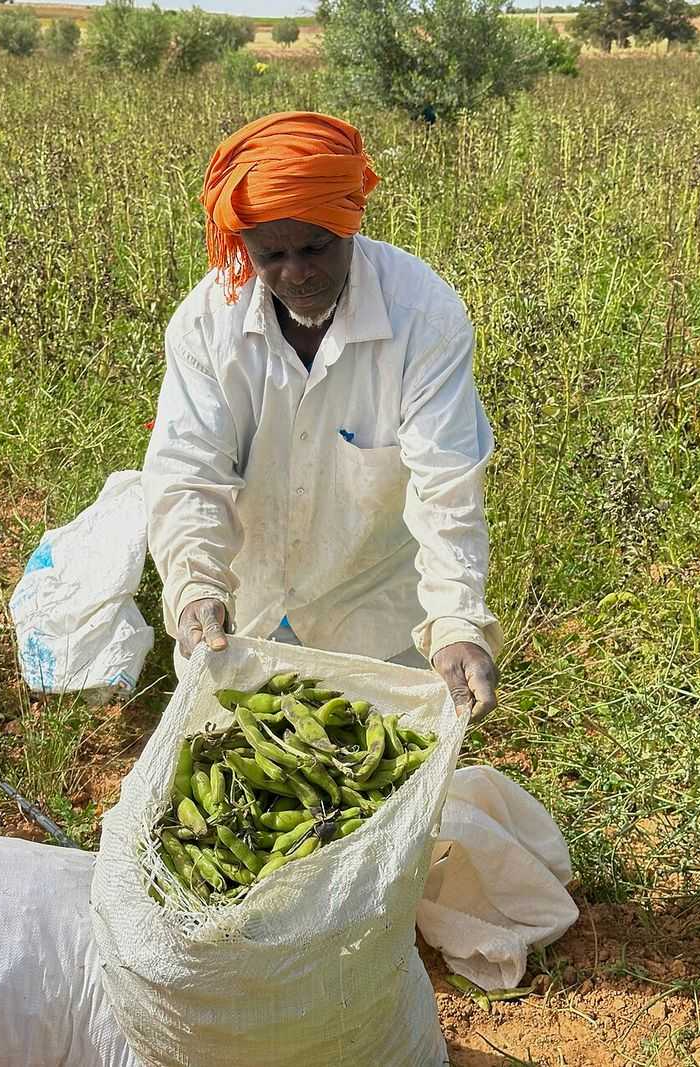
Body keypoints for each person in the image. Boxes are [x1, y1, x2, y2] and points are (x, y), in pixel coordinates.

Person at [142, 111, 502, 722]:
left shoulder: (424, 317)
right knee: (233, 782)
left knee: (376, 784)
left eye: (316, 247)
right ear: (243, 247)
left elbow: (445, 482)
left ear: (350, 225)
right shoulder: (207, 324)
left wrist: (455, 617)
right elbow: (190, 471)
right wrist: (197, 586)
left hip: (372, 615)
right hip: (241, 619)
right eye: (270, 254)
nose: (297, 273)